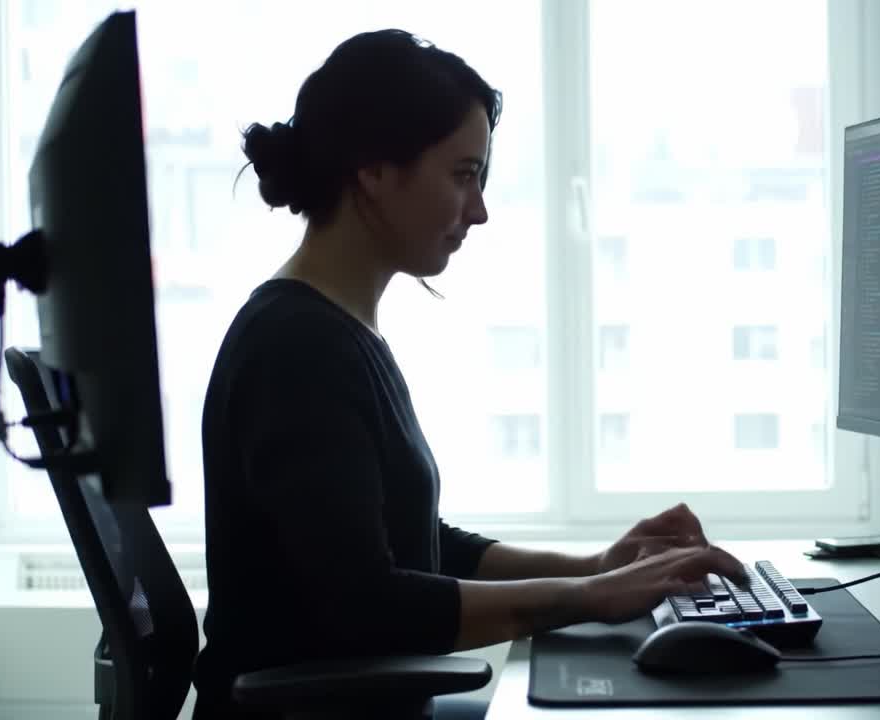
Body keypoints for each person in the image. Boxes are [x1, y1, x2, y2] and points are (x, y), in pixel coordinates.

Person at [192, 28, 749, 720]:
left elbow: (420, 545)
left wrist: (597, 568)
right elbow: (368, 604)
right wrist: (585, 601)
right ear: (373, 169)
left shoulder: (333, 330)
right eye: (463, 174)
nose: (479, 210)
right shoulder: (297, 349)